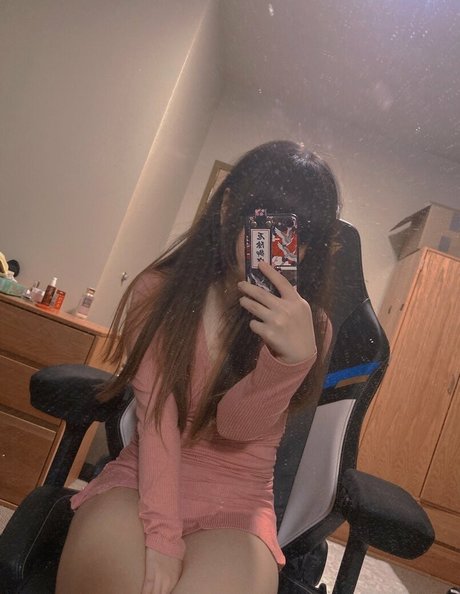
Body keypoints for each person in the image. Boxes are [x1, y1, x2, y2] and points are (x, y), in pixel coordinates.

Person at [56, 140, 341, 594]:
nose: (277, 247)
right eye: (264, 223)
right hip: (144, 477)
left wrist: (288, 363)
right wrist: (162, 536)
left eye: (296, 237)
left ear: (306, 250)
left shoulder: (311, 329)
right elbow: (158, 422)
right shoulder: (158, 292)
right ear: (228, 209)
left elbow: (236, 426)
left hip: (239, 501)